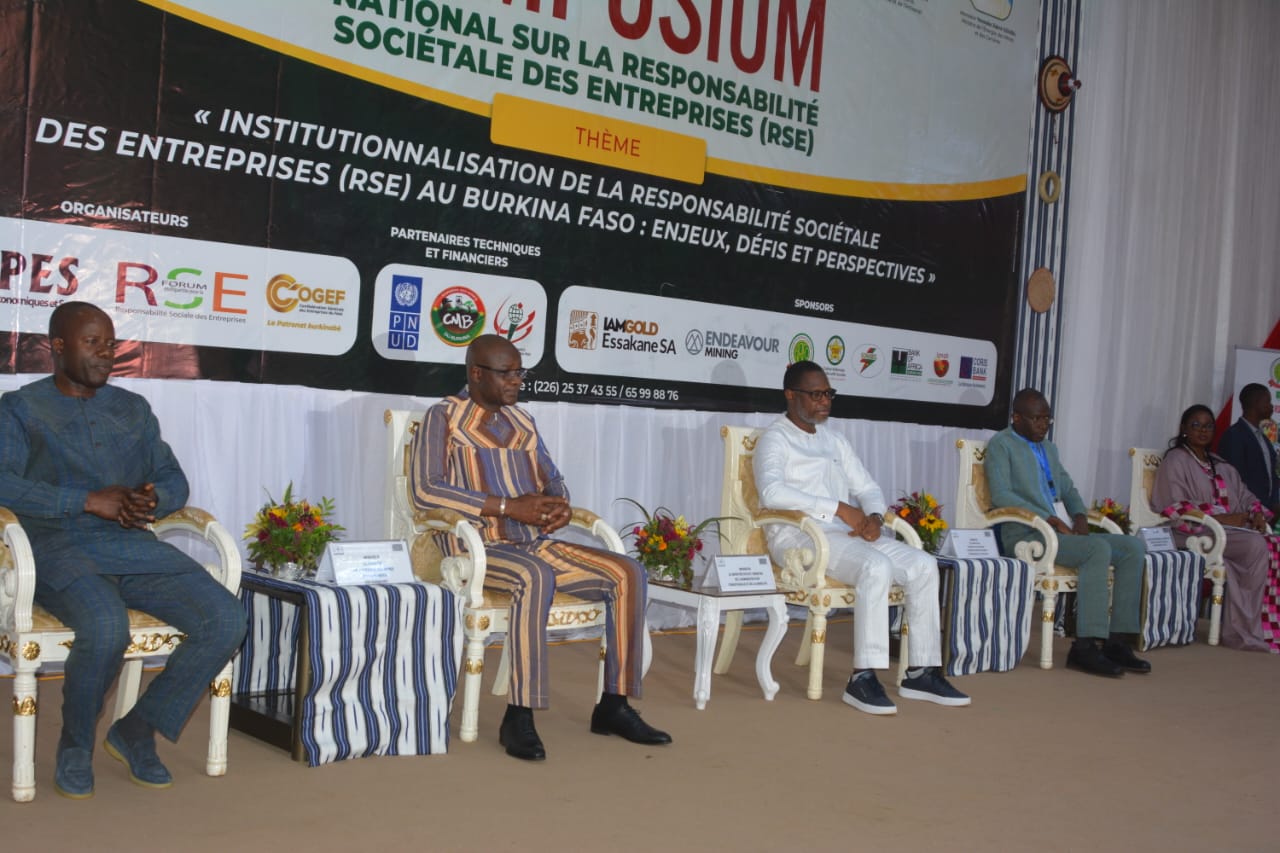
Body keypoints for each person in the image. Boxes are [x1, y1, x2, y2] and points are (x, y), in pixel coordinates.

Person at [0, 301, 247, 799]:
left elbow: (173, 477)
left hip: (133, 548)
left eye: (110, 344)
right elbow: (5, 483)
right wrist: (88, 501)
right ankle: (75, 745)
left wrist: (154, 499)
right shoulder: (20, 409)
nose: (105, 353)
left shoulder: (133, 409)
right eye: (92, 342)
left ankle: (137, 729)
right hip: (59, 549)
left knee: (226, 618)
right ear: (58, 346)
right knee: (105, 625)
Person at [409, 334, 670, 760]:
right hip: (476, 550)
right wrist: (508, 506)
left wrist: (559, 506)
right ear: (477, 374)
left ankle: (614, 705)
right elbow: (426, 491)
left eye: (520, 373)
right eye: (506, 373)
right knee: (535, 575)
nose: (517, 381)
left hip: (532, 543)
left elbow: (553, 479)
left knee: (628, 572)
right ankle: (519, 715)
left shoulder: (523, 421)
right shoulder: (444, 417)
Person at [752, 361, 970, 715]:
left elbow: (867, 487)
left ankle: (921, 671)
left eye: (828, 393)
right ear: (790, 395)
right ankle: (862, 677)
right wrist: (838, 508)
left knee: (923, 565)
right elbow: (772, 492)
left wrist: (873, 517)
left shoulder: (834, 439)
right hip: (798, 536)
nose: (824, 401)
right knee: (875, 565)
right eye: (815, 394)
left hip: (844, 533)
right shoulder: (775, 438)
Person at [984, 388, 1150, 677]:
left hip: (1058, 533)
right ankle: (1084, 647)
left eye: (1047, 418)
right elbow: (1001, 495)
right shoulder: (1002, 444)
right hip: (1027, 534)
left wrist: (1080, 516)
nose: (1043, 425)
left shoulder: (1049, 448)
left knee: (1132, 548)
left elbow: (1068, 488)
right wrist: (1049, 519)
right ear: (1016, 418)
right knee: (1097, 549)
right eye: (1036, 419)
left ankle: (1117, 641)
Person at [1152, 403, 1278, 652]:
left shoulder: (1221, 465)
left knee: (1273, 542)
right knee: (1255, 545)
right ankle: (1241, 633)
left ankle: (1265, 628)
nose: (1203, 430)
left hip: (1224, 533)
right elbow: (1175, 506)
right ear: (1184, 428)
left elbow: (1247, 497)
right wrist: (1224, 519)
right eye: (1196, 425)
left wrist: (1256, 514)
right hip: (1190, 533)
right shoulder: (1176, 459)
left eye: (1208, 426)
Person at [1217, 383, 1279, 517]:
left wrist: (1273, 504)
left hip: (1266, 512)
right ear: (1256, 403)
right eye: (1268, 401)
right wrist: (1254, 508)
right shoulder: (1234, 436)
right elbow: (1235, 479)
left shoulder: (1263, 438)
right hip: (1246, 513)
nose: (1271, 406)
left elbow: (1272, 475)